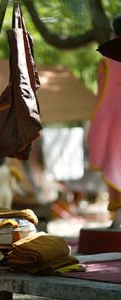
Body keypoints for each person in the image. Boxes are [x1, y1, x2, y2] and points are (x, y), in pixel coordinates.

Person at [88, 16, 121, 228]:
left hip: (111, 119)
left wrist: (94, 124)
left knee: (114, 164)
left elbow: (102, 95)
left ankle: (118, 218)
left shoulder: (106, 61)